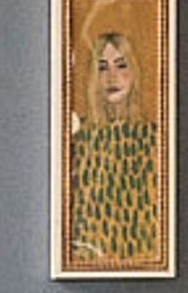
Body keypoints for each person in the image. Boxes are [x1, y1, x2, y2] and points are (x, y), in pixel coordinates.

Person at [63, 15, 163, 268]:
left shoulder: (155, 140)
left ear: (134, 72)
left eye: (121, 66)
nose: (112, 77)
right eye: (102, 68)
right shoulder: (77, 139)